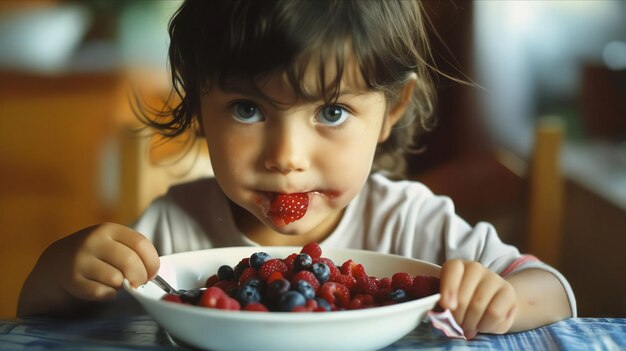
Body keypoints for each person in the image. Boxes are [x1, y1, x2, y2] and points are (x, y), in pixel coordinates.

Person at [18, 0, 575, 338]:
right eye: (247, 109)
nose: (286, 156)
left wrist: (502, 300)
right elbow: (37, 317)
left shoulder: (413, 223)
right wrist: (62, 269)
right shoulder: (172, 232)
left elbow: (554, 290)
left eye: (332, 112)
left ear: (392, 110)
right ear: (201, 110)